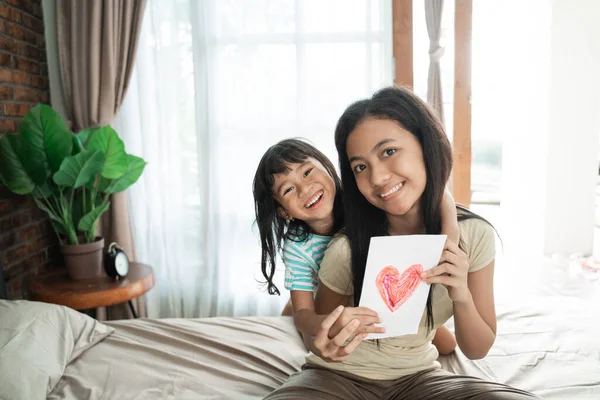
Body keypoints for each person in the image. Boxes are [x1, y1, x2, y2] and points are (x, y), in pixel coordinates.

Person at [265, 87, 541, 399]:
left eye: (388, 152)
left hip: (419, 377)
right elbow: (321, 333)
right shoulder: (344, 247)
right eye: (360, 167)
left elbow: (477, 350)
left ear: (426, 146)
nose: (379, 177)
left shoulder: (475, 236)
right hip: (336, 378)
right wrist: (327, 343)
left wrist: (461, 293)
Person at [252, 138, 459, 350]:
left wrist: (451, 231)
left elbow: (438, 190)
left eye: (307, 172)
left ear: (328, 166)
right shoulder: (297, 248)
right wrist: (319, 323)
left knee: (448, 345)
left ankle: (296, 297)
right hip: (332, 304)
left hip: (380, 292)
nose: (304, 189)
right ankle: (297, 295)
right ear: (284, 212)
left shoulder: (361, 199)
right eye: (288, 190)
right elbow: (303, 317)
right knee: (312, 345)